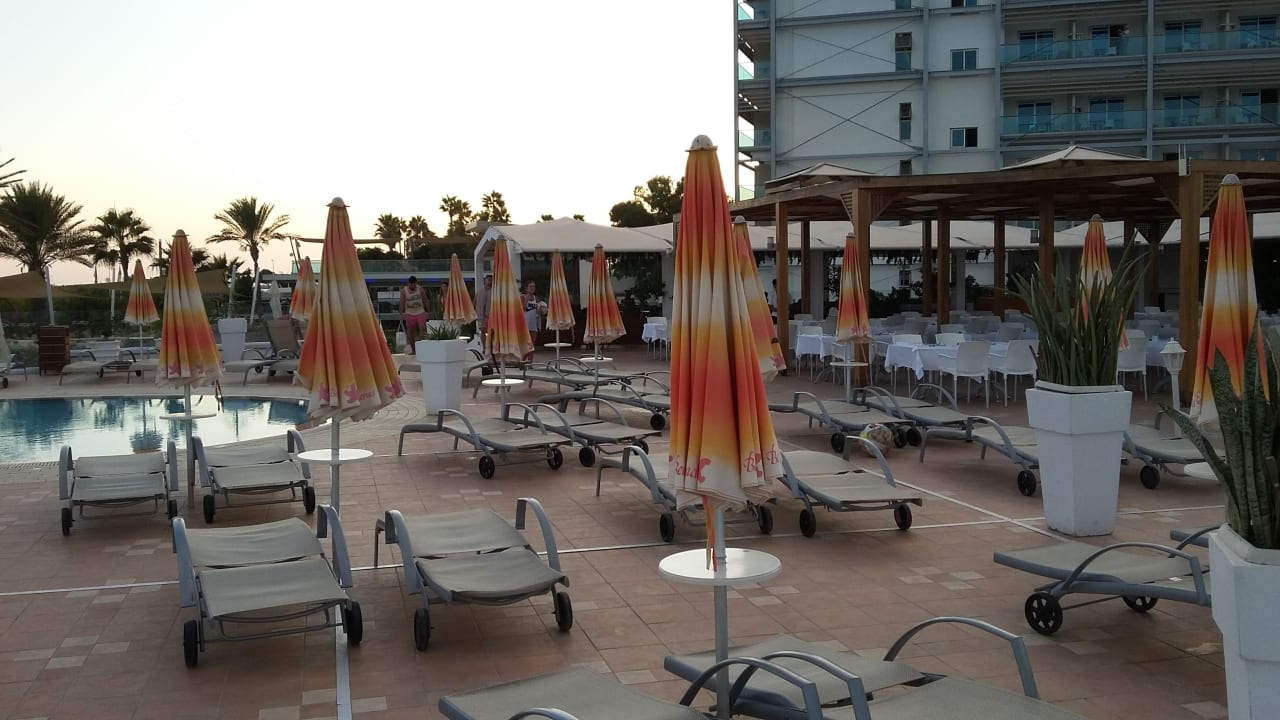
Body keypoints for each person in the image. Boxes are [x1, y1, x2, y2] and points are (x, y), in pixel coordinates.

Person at [399, 275, 428, 355]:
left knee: (422, 328)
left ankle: (423, 348)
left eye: (414, 284)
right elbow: (402, 302)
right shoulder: (404, 291)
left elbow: (425, 300)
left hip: (420, 311)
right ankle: (413, 350)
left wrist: (428, 311)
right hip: (410, 313)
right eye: (411, 284)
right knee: (411, 332)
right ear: (408, 283)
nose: (412, 286)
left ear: (416, 283)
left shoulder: (420, 289)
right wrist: (401, 314)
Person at [521, 280, 544, 361]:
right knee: (525, 345)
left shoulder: (535, 298)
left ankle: (530, 363)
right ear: (526, 288)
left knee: (532, 345)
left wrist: (540, 309)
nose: (532, 288)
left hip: (534, 324)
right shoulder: (523, 297)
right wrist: (526, 299)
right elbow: (522, 309)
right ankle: (522, 362)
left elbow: (539, 312)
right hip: (525, 325)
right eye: (530, 286)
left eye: (534, 286)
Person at [475, 273, 493, 339]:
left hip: (490, 315)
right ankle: (484, 345)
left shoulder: (494, 292)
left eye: (491, 280)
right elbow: (475, 301)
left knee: (492, 331)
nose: (490, 281)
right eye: (489, 280)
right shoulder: (479, 291)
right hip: (480, 315)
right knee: (482, 331)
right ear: (485, 280)